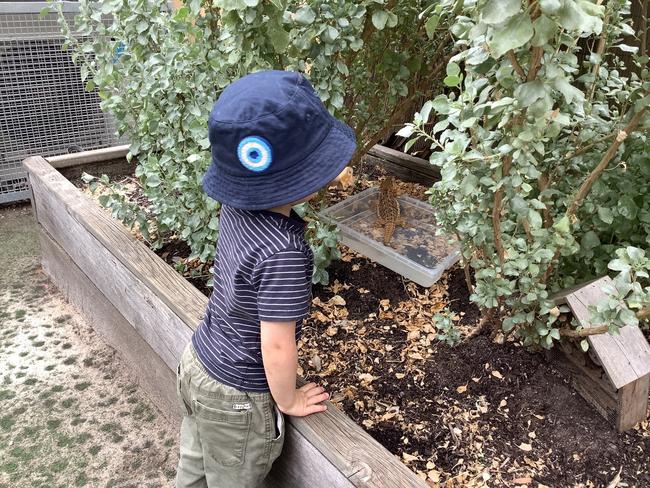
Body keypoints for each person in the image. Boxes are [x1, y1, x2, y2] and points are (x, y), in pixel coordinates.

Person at [175, 70, 357, 488]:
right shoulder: (285, 252)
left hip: (198, 362)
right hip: (236, 396)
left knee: (196, 467)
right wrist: (289, 398)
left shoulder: (236, 207)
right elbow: (276, 343)